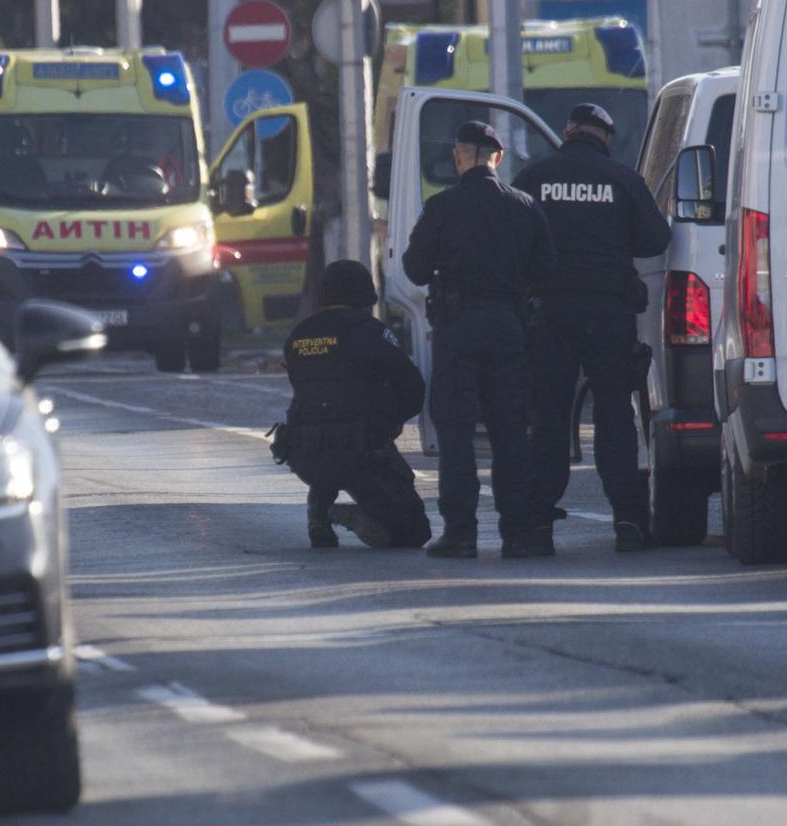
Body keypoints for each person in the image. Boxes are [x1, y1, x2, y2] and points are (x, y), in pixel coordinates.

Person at [513, 102, 671, 553]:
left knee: (549, 417)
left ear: (567, 131)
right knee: (613, 414)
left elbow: (514, 236)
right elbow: (656, 238)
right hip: (608, 315)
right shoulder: (622, 180)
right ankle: (629, 522)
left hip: (549, 315)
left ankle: (538, 527)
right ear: (604, 136)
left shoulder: (535, 178)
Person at [402, 121, 555, 558]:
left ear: (458, 156)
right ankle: (519, 534)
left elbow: (414, 268)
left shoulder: (442, 206)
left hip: (458, 330)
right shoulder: (525, 205)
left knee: (455, 433)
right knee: (511, 434)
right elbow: (545, 269)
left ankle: (461, 533)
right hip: (509, 329)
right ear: (498, 158)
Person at [278, 260, 432, 549]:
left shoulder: (297, 336)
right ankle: (350, 514)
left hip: (304, 455)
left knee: (325, 427)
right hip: (360, 453)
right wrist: (391, 421)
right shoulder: (369, 332)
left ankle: (318, 508)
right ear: (364, 297)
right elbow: (412, 386)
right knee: (414, 531)